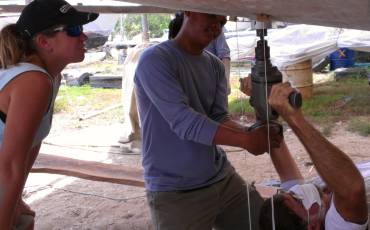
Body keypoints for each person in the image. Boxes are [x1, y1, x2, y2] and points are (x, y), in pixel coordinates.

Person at [134, 11, 282, 230]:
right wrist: (246, 140)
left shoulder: (214, 65)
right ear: (189, 10)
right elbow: (185, 122)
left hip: (221, 178)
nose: (216, 26)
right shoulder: (155, 60)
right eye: (212, 16)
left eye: (222, 22)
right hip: (176, 190)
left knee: (265, 224)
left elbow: (218, 117)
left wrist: (252, 132)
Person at [0, 0, 98, 228]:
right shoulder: (33, 81)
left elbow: (32, 145)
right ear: (44, 42)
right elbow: (10, 165)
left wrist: (16, 200)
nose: (84, 37)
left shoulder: (51, 78)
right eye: (74, 30)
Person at [256, 81, 369, 229]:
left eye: (290, 192)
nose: (297, 190)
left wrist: (260, 96)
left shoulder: (312, 204)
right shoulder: (337, 226)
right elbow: (353, 189)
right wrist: (295, 119)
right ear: (313, 227)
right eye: (297, 199)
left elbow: (274, 142)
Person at [168, 11, 232, 95]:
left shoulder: (216, 66)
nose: (217, 29)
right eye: (211, 16)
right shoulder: (158, 60)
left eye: (221, 23)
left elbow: (224, 55)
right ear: (188, 12)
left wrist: (225, 82)